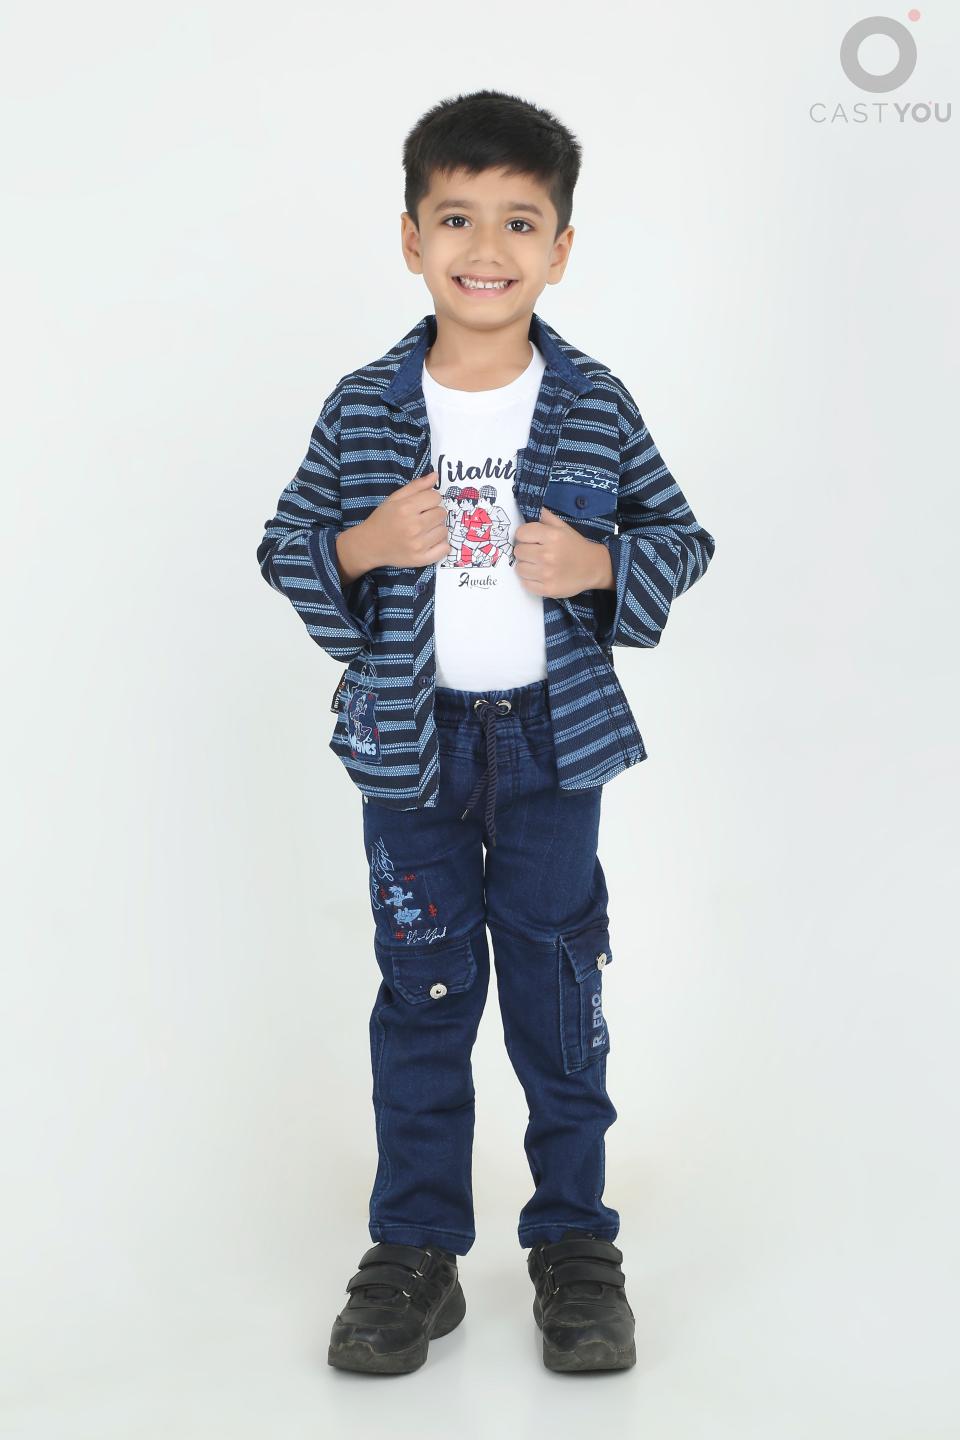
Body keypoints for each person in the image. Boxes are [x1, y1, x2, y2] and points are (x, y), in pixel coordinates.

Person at [256, 88, 716, 1376]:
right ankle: (416, 1248)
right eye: (457, 217)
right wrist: (362, 545)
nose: (487, 246)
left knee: (559, 996)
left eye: (521, 221)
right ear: (412, 237)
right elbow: (287, 546)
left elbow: (681, 538)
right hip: (409, 753)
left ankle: (574, 1241)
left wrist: (597, 564)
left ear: (560, 249)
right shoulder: (365, 405)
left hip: (554, 750)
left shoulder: (592, 401)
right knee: (424, 996)